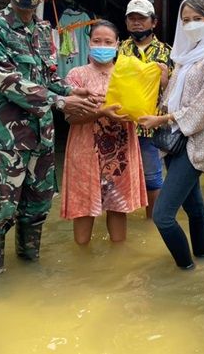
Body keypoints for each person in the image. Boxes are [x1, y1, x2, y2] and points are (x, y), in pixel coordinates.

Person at [0, 0, 102, 277]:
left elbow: (46, 78)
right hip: (3, 140)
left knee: (36, 209)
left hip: (41, 137)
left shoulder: (45, 32)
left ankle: (29, 270)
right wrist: (61, 100)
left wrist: (75, 91)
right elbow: (6, 80)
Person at [138, 0, 204, 269]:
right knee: (195, 208)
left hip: (196, 143)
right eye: (186, 20)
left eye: (198, 19)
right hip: (174, 142)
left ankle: (185, 270)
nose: (191, 24)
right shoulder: (184, 57)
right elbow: (174, 96)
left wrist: (162, 119)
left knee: (163, 215)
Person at [60, 20, 148, 244]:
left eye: (108, 41)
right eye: (97, 41)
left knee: (118, 207)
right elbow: (70, 116)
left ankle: (117, 266)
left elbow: (141, 110)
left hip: (120, 152)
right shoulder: (76, 76)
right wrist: (102, 112)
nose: (102, 45)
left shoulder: (128, 74)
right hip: (84, 151)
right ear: (88, 43)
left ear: (117, 44)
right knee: (83, 208)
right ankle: (83, 263)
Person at [119, 0, 173, 218]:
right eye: (132, 18)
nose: (136, 23)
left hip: (151, 126)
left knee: (152, 177)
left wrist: (166, 81)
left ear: (154, 22)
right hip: (121, 124)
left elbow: (178, 93)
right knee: (119, 176)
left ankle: (153, 221)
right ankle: (120, 221)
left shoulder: (167, 52)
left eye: (141, 18)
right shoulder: (118, 49)